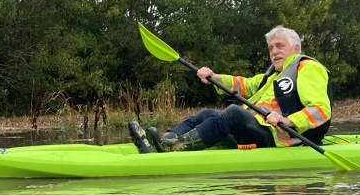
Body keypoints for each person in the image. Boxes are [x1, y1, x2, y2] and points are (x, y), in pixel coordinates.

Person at [128, 25, 332, 153]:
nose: (274, 52)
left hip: (280, 137)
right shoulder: (274, 75)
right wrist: (215, 78)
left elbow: (321, 110)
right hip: (260, 130)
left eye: (279, 46)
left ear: (296, 48)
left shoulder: (308, 67)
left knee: (234, 113)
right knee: (208, 113)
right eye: (271, 48)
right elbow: (246, 84)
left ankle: (175, 148)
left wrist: (286, 120)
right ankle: (166, 140)